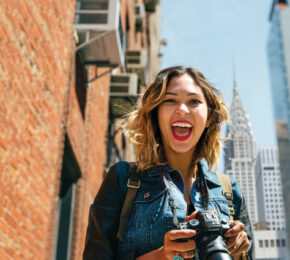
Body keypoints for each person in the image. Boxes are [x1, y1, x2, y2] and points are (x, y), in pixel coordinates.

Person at [83, 66, 252, 260]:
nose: (182, 109)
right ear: (155, 114)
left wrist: (240, 253)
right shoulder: (123, 179)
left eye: (194, 101)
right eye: (170, 100)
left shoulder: (230, 192)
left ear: (209, 118)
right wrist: (160, 256)